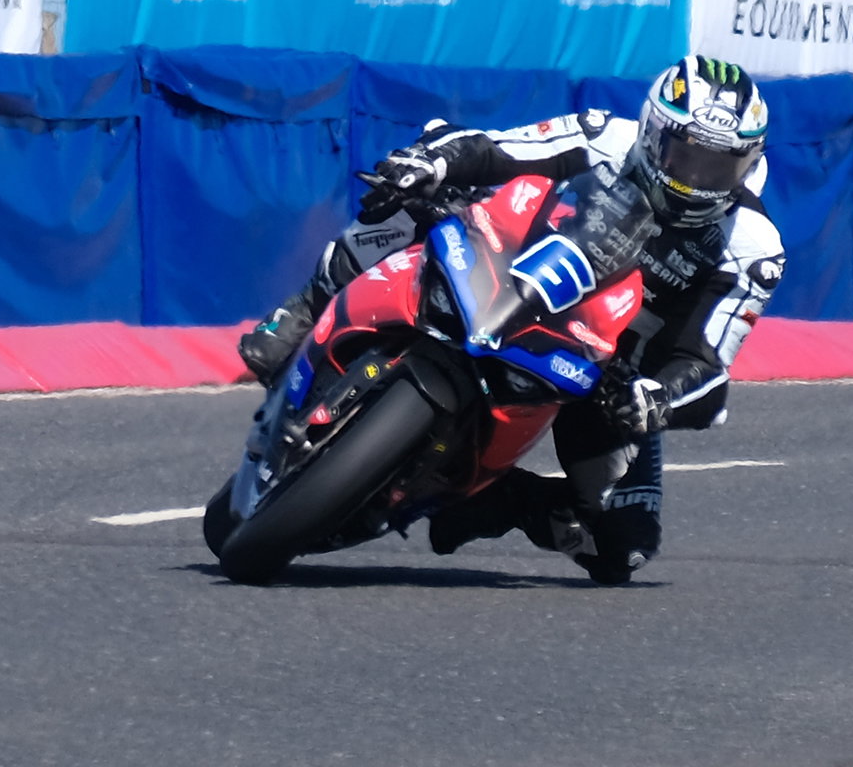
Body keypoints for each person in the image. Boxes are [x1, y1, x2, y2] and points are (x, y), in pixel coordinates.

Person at [238, 55, 785, 585]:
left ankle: (500, 502)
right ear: (651, 131)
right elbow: (496, 148)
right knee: (413, 195)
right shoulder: (602, 136)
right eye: (684, 156)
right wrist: (430, 162)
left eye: (720, 166)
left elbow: (708, 365)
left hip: (603, 378)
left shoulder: (752, 248)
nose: (696, 179)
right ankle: (302, 310)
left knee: (624, 547)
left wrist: (657, 398)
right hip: (510, 269)